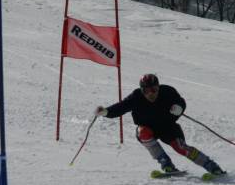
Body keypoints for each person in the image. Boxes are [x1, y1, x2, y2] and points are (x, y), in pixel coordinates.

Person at [96, 73, 225, 175]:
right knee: (143, 133)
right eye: (146, 91)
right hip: (148, 128)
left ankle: (211, 165)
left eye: (154, 89)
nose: (151, 94)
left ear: (158, 87)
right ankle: (166, 163)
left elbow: (180, 101)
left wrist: (179, 108)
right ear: (141, 90)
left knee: (180, 147)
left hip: (168, 127)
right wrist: (106, 112)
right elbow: (121, 107)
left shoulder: (167, 92)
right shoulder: (136, 97)